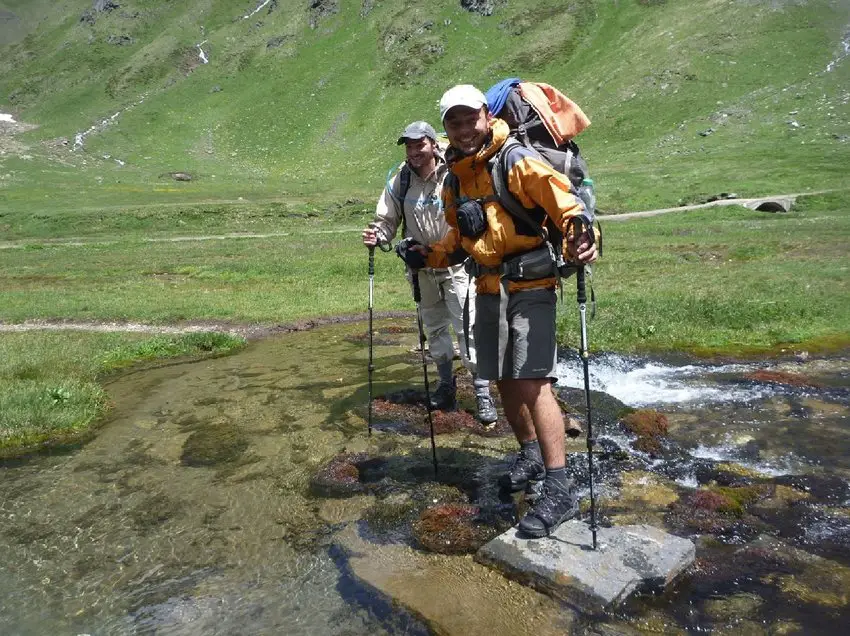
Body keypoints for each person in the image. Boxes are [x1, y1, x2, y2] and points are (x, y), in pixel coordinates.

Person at [404, 86, 599, 538]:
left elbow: (562, 200)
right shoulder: (455, 177)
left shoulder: (514, 159)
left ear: (485, 116)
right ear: (446, 129)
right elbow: (456, 242)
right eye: (454, 122)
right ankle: (530, 454)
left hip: (532, 282)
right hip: (488, 286)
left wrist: (580, 228)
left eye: (470, 118)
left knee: (532, 380)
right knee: (502, 377)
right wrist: (427, 256)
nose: (464, 128)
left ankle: (560, 485)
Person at [361, 120, 497, 425]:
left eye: (419, 144)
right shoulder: (401, 181)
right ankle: (446, 386)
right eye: (409, 146)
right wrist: (378, 236)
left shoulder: (454, 173)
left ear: (433, 144)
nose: (414, 151)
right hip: (421, 269)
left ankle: (482, 393)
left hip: (457, 265)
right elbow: (386, 220)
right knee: (434, 330)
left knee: (468, 329)